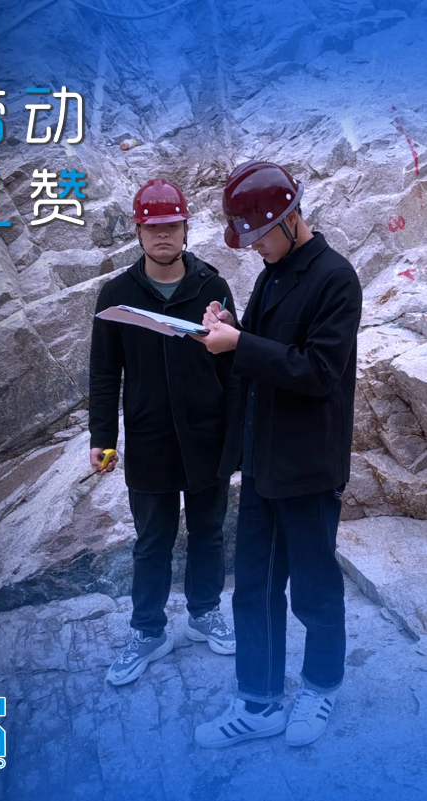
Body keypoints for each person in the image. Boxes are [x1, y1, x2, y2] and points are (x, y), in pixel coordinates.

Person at [192, 161, 362, 747]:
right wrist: (228, 329)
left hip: (309, 466)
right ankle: (259, 702)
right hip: (262, 460)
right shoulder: (272, 274)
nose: (254, 247)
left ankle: (320, 685)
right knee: (254, 588)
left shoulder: (336, 278)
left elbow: (317, 371)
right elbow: (265, 352)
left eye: (260, 234)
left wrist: (240, 342)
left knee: (314, 589)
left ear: (290, 219)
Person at [89, 178, 238, 686]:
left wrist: (236, 433)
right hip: (149, 439)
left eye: (171, 225)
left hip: (207, 436)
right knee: (152, 541)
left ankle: (204, 614)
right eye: (152, 226)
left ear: (185, 227)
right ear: (138, 230)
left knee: (209, 532)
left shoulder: (212, 286)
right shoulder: (117, 295)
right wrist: (102, 438)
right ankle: (149, 631)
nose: (162, 235)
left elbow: (232, 365)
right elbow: (104, 373)